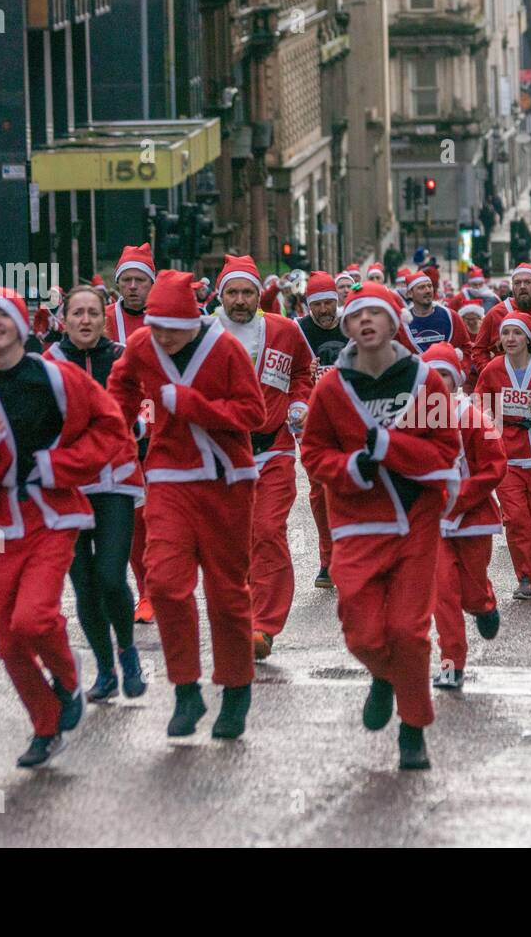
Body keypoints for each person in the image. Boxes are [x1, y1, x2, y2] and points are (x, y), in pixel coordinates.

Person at [0, 287, 135, 767]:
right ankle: (45, 726)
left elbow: (111, 428)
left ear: (23, 325)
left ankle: (68, 677)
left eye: (4, 314)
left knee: (33, 619)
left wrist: (57, 466)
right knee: (7, 644)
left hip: (51, 515)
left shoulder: (57, 377)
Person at [299, 283, 461, 770]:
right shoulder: (329, 389)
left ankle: (413, 729)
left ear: (395, 324)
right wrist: (351, 468)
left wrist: (388, 447)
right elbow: (313, 453)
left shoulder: (426, 382)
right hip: (355, 520)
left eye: (376, 314)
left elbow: (444, 452)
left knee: (408, 632)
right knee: (363, 634)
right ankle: (384, 675)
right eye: (357, 315)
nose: (365, 321)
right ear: (347, 327)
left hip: (415, 520)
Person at [108, 270, 267, 740]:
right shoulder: (142, 346)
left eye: (171, 329)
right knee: (165, 583)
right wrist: (122, 431)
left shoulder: (226, 350)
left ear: (193, 321)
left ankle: (236, 689)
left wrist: (191, 404)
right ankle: (185, 689)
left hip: (226, 482)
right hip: (169, 479)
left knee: (226, 590)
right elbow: (120, 389)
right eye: (155, 327)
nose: (162, 338)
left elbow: (253, 414)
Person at [44, 286, 147, 701]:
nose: (85, 321)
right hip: (66, 485)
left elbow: (145, 404)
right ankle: (104, 669)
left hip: (114, 479)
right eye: (77, 314)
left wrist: (138, 430)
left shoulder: (123, 357)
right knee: (83, 585)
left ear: (104, 319)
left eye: (92, 313)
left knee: (109, 575)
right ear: (64, 320)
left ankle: (128, 652)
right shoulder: (48, 363)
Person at [211, 255, 315, 660]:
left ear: (259, 295)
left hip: (273, 449)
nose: (240, 300)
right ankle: (241, 614)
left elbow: (303, 373)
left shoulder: (284, 330)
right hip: (222, 455)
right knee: (233, 541)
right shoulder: (206, 334)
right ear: (221, 296)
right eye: (232, 292)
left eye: (247, 292)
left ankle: (265, 625)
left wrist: (300, 403)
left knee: (268, 530)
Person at [422, 342, 506, 689]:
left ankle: (484, 604)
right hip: (432, 523)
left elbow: (494, 467)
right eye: (431, 375)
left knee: (470, 593)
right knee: (443, 595)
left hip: (472, 518)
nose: (438, 382)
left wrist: (459, 499)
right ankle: (451, 664)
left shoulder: (474, 417)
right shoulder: (413, 418)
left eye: (444, 374)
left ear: (456, 380)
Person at [476, 310, 531, 600]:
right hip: (508, 454)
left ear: (528, 337)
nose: (510, 339)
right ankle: (525, 577)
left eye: (516, 333)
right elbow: (482, 407)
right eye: (505, 333)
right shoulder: (492, 370)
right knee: (515, 518)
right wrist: (486, 444)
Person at [105, 243, 158, 624]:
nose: (134, 287)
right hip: (120, 433)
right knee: (134, 518)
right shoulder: (103, 318)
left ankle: (156, 590)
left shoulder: (169, 317)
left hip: (165, 433)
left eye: (141, 280)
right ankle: (144, 593)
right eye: (127, 281)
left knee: (160, 516)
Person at [296, 271, 349, 588]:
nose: (325, 310)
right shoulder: (298, 332)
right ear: (308, 306)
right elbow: (288, 374)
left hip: (349, 419)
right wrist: (304, 372)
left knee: (350, 486)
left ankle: (353, 551)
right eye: (318, 305)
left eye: (330, 303)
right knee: (319, 491)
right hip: (313, 421)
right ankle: (327, 559)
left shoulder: (351, 327)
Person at [405, 268, 472, 354]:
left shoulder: (451, 316)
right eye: (421, 288)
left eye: (429, 286)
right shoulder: (403, 322)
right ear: (410, 293)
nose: (428, 291)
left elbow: (466, 348)